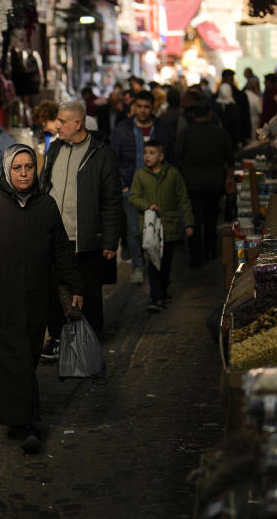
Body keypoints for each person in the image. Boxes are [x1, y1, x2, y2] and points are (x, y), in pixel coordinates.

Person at [0, 144, 83, 454]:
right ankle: (29, 423)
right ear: (7, 170)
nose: (24, 173)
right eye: (17, 168)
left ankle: (19, 417)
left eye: (29, 167)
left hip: (35, 299)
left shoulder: (46, 206)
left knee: (26, 359)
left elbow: (61, 250)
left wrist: (75, 287)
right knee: (7, 362)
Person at [38, 100, 123, 359]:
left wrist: (110, 240)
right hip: (54, 236)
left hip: (85, 237)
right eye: (57, 120)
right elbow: (45, 186)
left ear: (78, 123)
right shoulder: (55, 148)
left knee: (86, 290)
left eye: (62, 121)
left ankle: (88, 338)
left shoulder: (100, 153)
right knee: (53, 289)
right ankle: (56, 338)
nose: (57, 125)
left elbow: (111, 199)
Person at [112, 90, 176, 283]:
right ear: (134, 107)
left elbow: (172, 158)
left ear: (152, 108)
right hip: (131, 189)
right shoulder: (123, 129)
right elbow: (114, 158)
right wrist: (123, 186)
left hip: (157, 189)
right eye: (138, 106)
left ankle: (156, 270)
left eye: (146, 107)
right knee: (133, 231)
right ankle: (138, 267)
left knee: (156, 231)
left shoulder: (163, 129)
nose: (142, 110)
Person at [129, 140, 195, 312]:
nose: (147, 156)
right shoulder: (140, 175)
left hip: (169, 227)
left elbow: (183, 199)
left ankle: (163, 292)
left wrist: (188, 223)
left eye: (152, 153)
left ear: (161, 156)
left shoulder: (173, 175)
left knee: (165, 263)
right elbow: (133, 197)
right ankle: (156, 297)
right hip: (150, 228)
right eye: (145, 153)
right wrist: (147, 205)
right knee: (153, 262)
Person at [174, 102, 235, 267]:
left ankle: (196, 256)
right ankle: (211, 250)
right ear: (209, 115)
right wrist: (228, 177)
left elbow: (176, 157)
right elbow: (230, 158)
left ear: (193, 115)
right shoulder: (220, 133)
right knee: (211, 218)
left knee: (194, 220)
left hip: (191, 184)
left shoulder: (184, 134)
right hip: (214, 183)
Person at [217, 69, 250, 146]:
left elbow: (245, 115)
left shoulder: (240, 96)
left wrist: (247, 135)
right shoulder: (216, 99)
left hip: (237, 134)